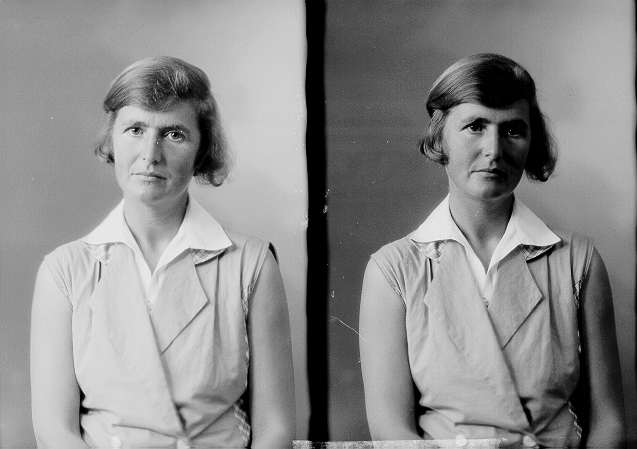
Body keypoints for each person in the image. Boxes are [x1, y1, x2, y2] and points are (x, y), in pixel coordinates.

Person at [359, 53, 626, 447]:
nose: (494, 149)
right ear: (440, 137)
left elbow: (609, 424)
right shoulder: (394, 270)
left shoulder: (577, 261)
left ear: (532, 141)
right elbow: (391, 432)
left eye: (513, 130)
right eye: (475, 126)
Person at [30, 56, 295, 448]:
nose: (150, 154)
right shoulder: (64, 271)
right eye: (135, 130)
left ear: (201, 150)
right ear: (112, 139)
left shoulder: (251, 264)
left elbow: (275, 429)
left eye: (174, 134)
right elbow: (55, 430)